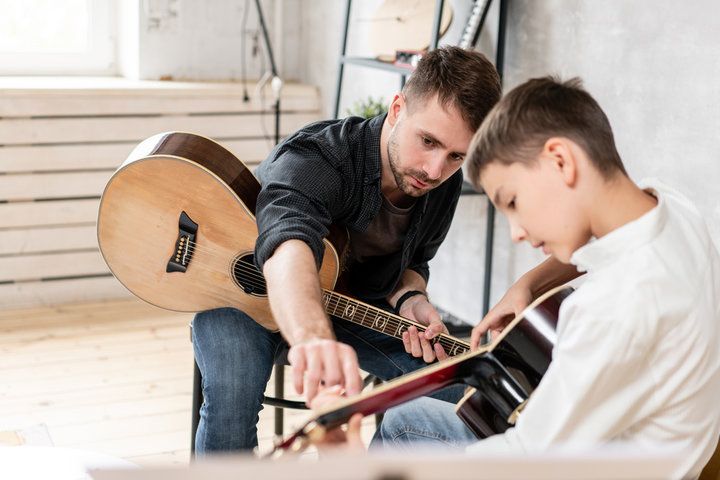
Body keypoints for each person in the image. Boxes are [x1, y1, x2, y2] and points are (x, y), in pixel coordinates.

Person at [318, 77, 720, 479]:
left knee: (404, 428)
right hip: (664, 446)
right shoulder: (671, 207)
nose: (517, 232)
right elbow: (610, 236)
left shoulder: (612, 308)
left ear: (560, 160)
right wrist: (527, 287)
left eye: (512, 201)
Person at [190, 46, 502, 454]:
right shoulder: (321, 155)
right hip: (243, 298)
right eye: (427, 141)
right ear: (397, 108)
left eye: (456, 156)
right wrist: (311, 337)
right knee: (232, 394)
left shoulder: (442, 185)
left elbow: (415, 261)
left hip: (350, 309)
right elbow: (288, 246)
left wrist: (411, 297)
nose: (434, 170)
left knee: (459, 390)